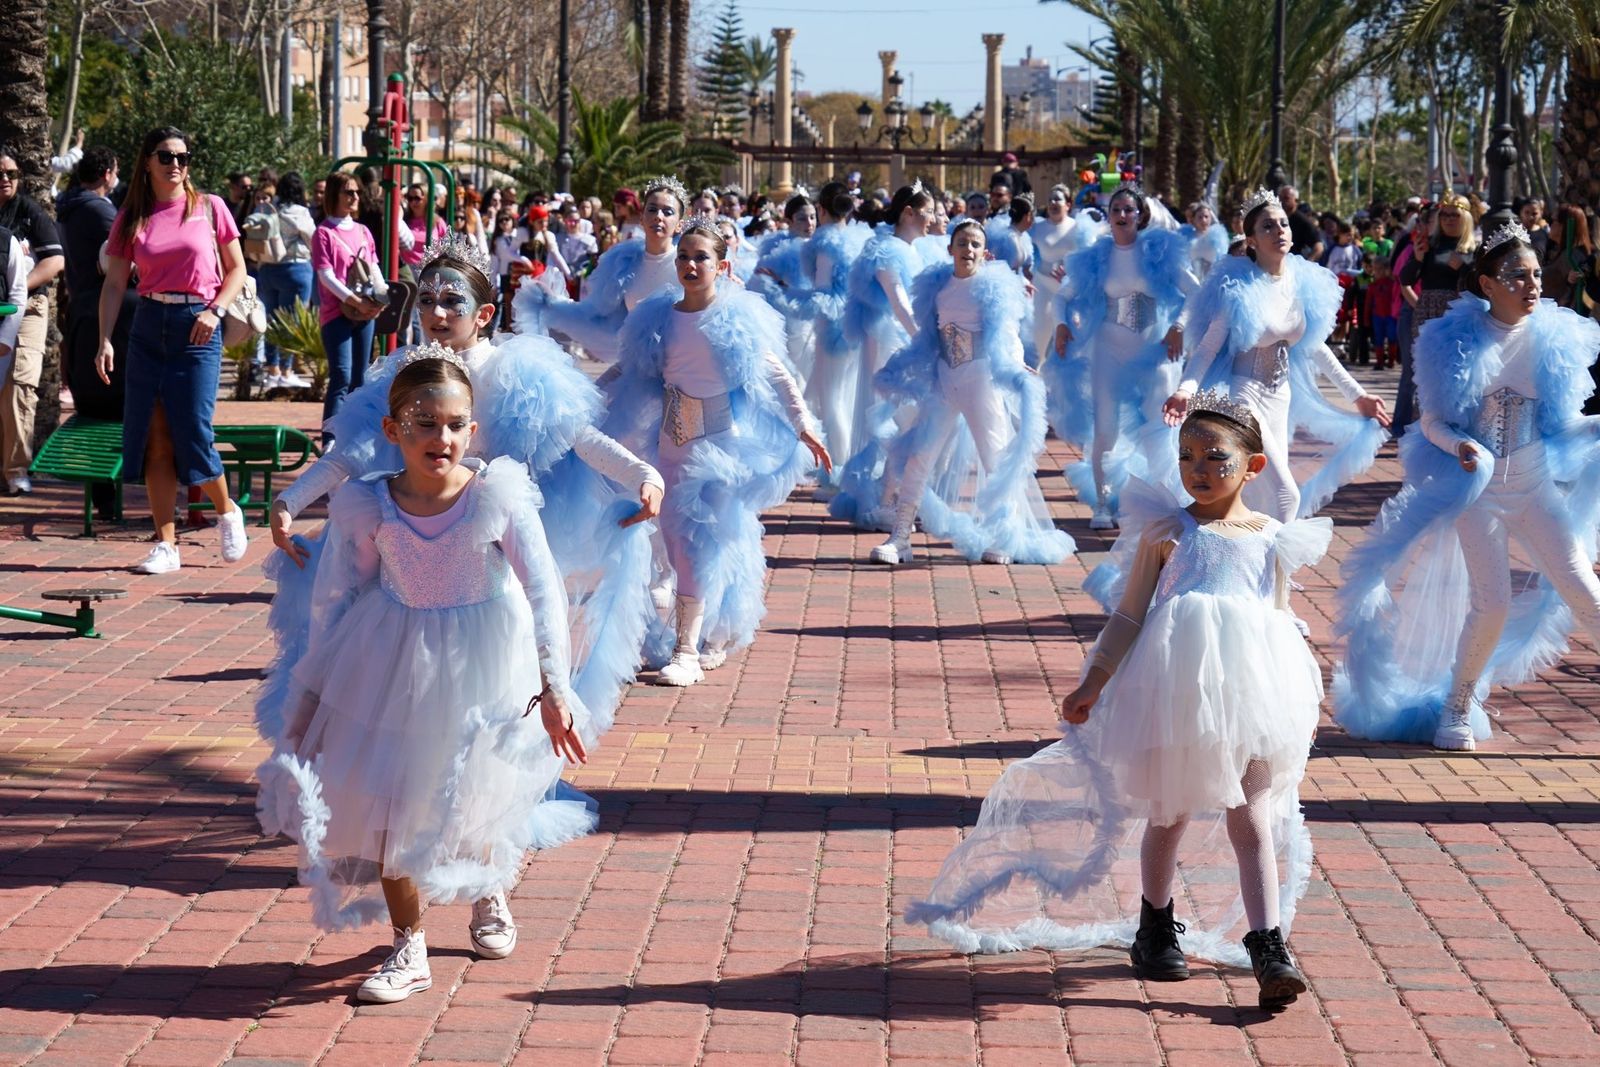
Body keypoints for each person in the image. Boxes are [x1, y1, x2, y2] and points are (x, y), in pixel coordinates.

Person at [909, 394, 1328, 1012]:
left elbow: (1279, 613)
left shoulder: (1272, 538)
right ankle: (1155, 925)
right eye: (1187, 456)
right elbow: (1131, 613)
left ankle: (1269, 945)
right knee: (1170, 810)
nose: (1198, 469)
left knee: (1253, 814)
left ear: (1254, 466)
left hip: (1253, 691)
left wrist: (1294, 683)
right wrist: (1094, 681)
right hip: (1176, 686)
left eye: (1216, 458)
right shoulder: (1170, 529)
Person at [263, 233, 661, 789]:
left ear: (485, 313)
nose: (437, 313)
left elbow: (578, 436)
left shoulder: (514, 372)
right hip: (416, 535)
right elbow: (353, 449)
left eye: (452, 301)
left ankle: (492, 796)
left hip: (490, 540)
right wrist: (291, 499)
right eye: (426, 300)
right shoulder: (403, 370)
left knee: (497, 671)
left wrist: (643, 474)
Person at [255, 348, 591, 1003]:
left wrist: (554, 684)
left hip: (486, 660)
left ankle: (486, 886)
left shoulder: (495, 494)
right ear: (392, 430)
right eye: (423, 421)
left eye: (454, 424)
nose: (440, 437)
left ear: (472, 432)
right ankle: (408, 943)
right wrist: (314, 698)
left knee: (474, 790)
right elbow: (334, 597)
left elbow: (545, 589)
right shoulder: (367, 504)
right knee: (389, 802)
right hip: (392, 656)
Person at [1335, 222, 1600, 752]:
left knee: (1584, 591)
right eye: (1516, 276)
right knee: (1493, 601)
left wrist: (1595, 426)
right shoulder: (1450, 340)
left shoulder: (1556, 337)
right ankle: (1456, 705)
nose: (1531, 286)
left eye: (1534, 275)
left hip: (1534, 486)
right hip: (1475, 492)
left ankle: (1460, 700)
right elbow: (1432, 421)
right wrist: (1460, 445)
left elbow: (1559, 426)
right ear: (1487, 285)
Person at [600, 218, 830, 687]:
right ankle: (709, 634)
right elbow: (627, 369)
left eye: (701, 257)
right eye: (683, 256)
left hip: (721, 451)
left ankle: (687, 648)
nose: (689, 264)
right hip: (670, 447)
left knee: (703, 545)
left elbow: (777, 374)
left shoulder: (734, 317)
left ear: (722, 266)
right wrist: (585, 398)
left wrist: (803, 426)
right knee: (676, 539)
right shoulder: (657, 316)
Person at [1162, 188, 1389, 526]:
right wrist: (1184, 390)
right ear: (1251, 240)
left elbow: (1315, 347)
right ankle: (1274, 575)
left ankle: (1255, 572)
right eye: (1267, 226)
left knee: (1258, 495)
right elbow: (1208, 348)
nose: (1279, 231)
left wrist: (1357, 396)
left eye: (1283, 224)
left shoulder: (1301, 282)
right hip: (1244, 397)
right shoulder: (1238, 289)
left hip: (1280, 399)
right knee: (1286, 495)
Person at [864, 220, 1074, 567]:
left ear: (985, 251)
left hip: (982, 382)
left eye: (975, 244)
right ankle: (900, 536)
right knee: (920, 455)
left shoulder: (991, 287)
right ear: (950, 249)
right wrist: (901, 367)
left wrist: (1017, 365)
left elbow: (1007, 336)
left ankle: (1004, 535)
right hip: (944, 381)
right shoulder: (937, 286)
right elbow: (927, 337)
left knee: (995, 458)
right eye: (962, 243)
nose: (968, 250)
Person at [94, 126, 250, 575]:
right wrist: (104, 338)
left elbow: (236, 269)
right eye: (165, 156)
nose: (176, 164)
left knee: (194, 429)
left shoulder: (210, 207)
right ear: (147, 162)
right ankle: (166, 544)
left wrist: (215, 311)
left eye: (183, 156)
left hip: (198, 324)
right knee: (154, 437)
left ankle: (227, 510)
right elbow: (115, 284)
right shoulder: (132, 217)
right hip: (148, 325)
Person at [1045, 183, 1196, 530]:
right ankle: (1102, 504)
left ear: (1140, 215)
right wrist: (1062, 325)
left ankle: (1163, 503)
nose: (1123, 215)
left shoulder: (1157, 251)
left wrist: (1178, 326)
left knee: (1158, 428)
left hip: (1154, 353)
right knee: (1105, 429)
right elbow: (1061, 297)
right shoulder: (1095, 258)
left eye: (1129, 209)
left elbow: (1195, 293)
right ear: (1109, 217)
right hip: (1108, 352)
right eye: (1116, 210)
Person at [829, 185, 946, 528]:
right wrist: (925, 339)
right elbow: (899, 302)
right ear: (908, 213)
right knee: (898, 419)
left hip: (910, 342)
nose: (934, 220)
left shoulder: (916, 249)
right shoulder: (885, 251)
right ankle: (885, 500)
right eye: (928, 212)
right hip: (891, 345)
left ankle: (901, 495)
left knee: (915, 421)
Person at [532, 177, 685, 363]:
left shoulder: (689, 262)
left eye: (668, 212)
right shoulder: (624, 262)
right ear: (642, 218)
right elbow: (597, 313)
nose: (658, 216)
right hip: (639, 365)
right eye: (652, 209)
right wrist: (553, 302)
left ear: (679, 224)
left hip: (683, 368)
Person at [0, 143, 66, 495]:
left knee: (19, 386)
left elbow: (55, 262)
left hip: (26, 311)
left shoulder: (29, 213)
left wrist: (16, 290)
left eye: (11, 174)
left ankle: (15, 470)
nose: (5, 179)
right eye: (0, 174)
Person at [798, 181, 870, 496]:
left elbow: (823, 293)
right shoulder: (859, 238)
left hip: (832, 331)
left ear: (822, 210)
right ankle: (846, 467)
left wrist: (786, 293)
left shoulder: (825, 243)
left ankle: (839, 472)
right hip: (856, 327)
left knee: (832, 402)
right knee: (843, 398)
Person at [57, 144, 133, 436]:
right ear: (107, 173)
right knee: (113, 393)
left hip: (79, 306)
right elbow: (125, 252)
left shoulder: (67, 204)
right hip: (106, 310)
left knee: (90, 398)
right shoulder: (99, 208)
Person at [312, 173, 384, 437]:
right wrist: (355, 301)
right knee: (340, 376)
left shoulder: (363, 231)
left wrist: (380, 299)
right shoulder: (323, 233)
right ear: (335, 195)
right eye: (348, 192)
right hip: (336, 313)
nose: (355, 197)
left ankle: (356, 435)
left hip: (366, 313)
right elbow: (326, 275)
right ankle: (330, 439)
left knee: (360, 378)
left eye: (356, 192)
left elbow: (374, 268)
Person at [253, 172, 317, 391]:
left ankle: (272, 370)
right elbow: (312, 240)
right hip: (295, 268)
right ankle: (287, 371)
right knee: (292, 323)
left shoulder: (269, 209)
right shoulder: (300, 212)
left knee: (272, 320)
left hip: (268, 269)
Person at [1029, 185, 1079, 366]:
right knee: (1039, 335)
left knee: (1070, 338)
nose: (1053, 203)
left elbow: (1088, 258)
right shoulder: (1037, 226)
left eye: (1058, 199)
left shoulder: (1078, 227)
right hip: (1042, 285)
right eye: (1050, 199)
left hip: (1070, 289)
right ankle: (1035, 374)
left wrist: (1071, 271)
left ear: (1068, 204)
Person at [1181, 201, 1230, 280]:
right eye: (1200, 217)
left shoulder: (1218, 239)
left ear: (1211, 218)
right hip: (1190, 283)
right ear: (1193, 219)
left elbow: (1223, 262)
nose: (1204, 220)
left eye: (1206, 217)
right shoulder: (1184, 237)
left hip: (1212, 282)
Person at [1277, 186, 1322, 262]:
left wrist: (1307, 265)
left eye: (1286, 198)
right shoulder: (1276, 218)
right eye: (1280, 198)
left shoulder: (1303, 221)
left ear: (1296, 201)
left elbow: (1319, 247)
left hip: (1293, 265)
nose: (1281, 201)